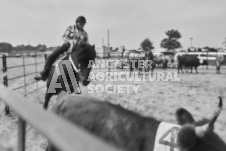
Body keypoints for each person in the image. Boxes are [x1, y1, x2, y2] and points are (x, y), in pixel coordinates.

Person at [34, 16, 89, 81]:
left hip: (78, 51)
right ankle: (43, 73)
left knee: (86, 61)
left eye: (83, 24)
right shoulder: (70, 28)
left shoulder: (85, 33)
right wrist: (70, 41)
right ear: (77, 23)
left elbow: (86, 43)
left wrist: (81, 44)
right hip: (67, 46)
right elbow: (64, 37)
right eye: (81, 23)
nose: (82, 25)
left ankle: (83, 77)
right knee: (52, 56)